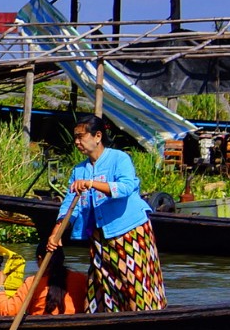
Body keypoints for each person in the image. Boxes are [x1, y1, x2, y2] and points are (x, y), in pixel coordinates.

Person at [57, 113, 165, 312]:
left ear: (98, 136)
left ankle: (144, 319)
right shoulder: (79, 170)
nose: (77, 142)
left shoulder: (119, 158)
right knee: (102, 284)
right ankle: (107, 320)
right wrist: (57, 231)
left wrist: (91, 184)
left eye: (81, 137)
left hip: (129, 231)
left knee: (135, 284)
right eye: (75, 137)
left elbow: (125, 188)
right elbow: (69, 203)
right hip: (100, 237)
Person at [26, 240, 88, 315]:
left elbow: (9, 311)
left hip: (40, 325)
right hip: (78, 325)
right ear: (63, 258)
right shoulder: (82, 279)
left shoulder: (32, 282)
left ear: (40, 259)